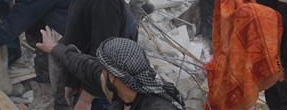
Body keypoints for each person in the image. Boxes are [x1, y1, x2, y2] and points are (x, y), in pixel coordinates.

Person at [60, 0, 137, 109]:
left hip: (99, 89)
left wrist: (86, 99)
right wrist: (72, 81)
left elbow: (104, 54)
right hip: (84, 74)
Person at [36, 31, 185, 110]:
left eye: (104, 70)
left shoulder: (157, 107)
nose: (101, 72)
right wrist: (54, 48)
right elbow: (85, 65)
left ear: (112, 76)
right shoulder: (127, 85)